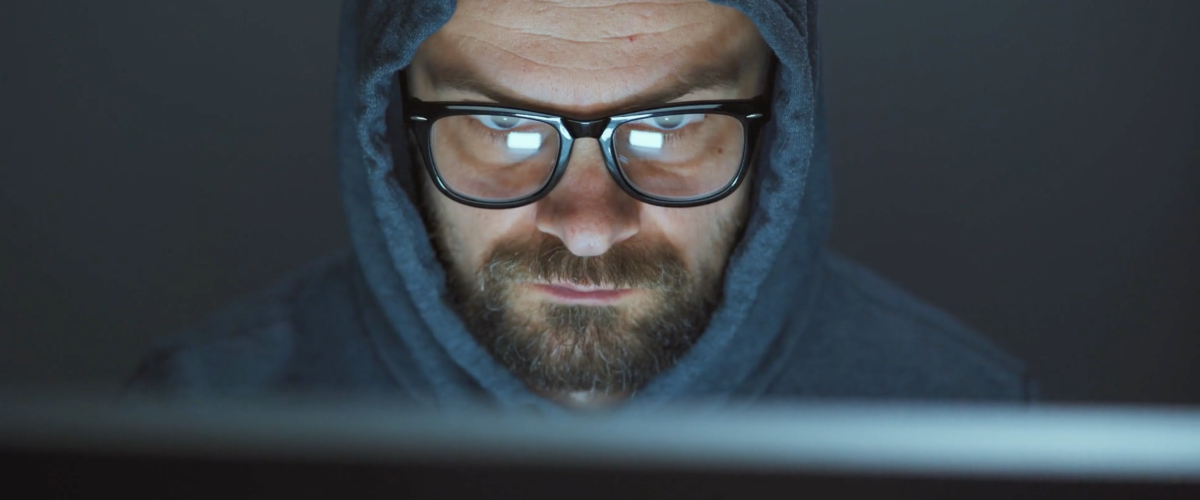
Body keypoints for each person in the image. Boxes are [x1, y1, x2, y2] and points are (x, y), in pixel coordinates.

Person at [128, 0, 1035, 411]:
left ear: (785, 126)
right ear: (391, 125)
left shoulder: (974, 429)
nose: (590, 221)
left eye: (673, 123)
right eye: (499, 122)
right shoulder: (196, 420)